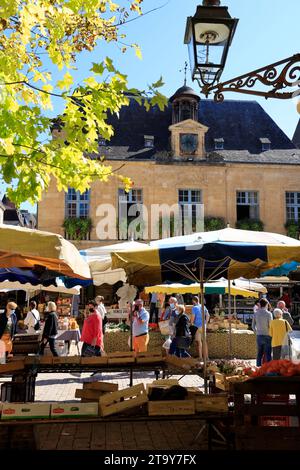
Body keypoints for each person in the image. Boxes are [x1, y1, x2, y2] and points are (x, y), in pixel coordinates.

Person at [252, 298, 273, 366]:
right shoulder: (269, 314)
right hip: (268, 335)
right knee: (267, 354)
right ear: (266, 304)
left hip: (259, 335)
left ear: (260, 304)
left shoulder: (255, 313)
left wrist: (256, 332)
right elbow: (271, 325)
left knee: (259, 354)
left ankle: (258, 369)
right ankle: (268, 370)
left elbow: (253, 326)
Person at [190, 296, 210, 361]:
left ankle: (201, 358)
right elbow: (208, 315)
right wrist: (205, 323)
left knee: (199, 343)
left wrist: (191, 323)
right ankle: (207, 357)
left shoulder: (194, 308)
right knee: (204, 342)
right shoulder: (203, 306)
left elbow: (193, 318)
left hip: (197, 326)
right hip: (203, 326)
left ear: (194, 301)